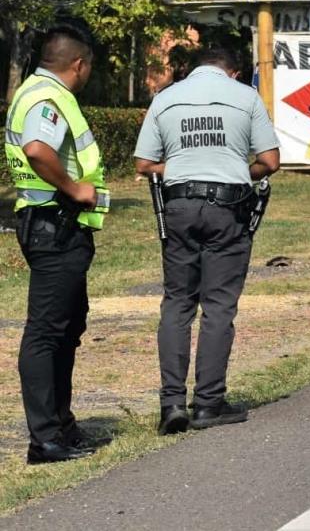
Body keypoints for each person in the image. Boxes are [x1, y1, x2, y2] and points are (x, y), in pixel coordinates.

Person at [133, 45, 280, 435]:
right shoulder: (246, 97)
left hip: (178, 206)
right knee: (218, 306)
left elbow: (144, 164)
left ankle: (171, 403)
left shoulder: (165, 98)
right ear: (232, 73)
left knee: (177, 303)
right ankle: (209, 403)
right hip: (227, 209)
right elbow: (270, 161)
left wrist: (181, 166)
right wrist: (235, 169)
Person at [4, 24, 109, 464]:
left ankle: (62, 427)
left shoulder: (34, 91)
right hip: (54, 224)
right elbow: (37, 149)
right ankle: (44, 438)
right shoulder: (48, 99)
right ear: (78, 64)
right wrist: (74, 186)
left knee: (66, 326)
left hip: (52, 224)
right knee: (47, 332)